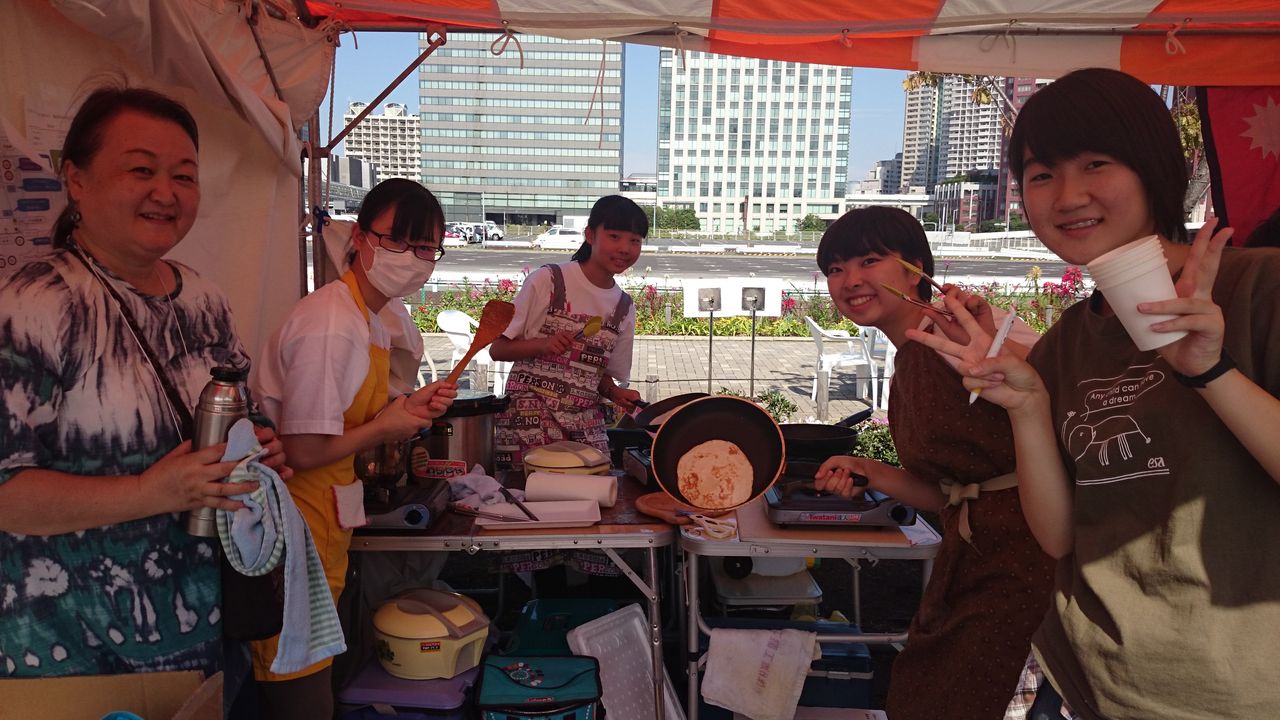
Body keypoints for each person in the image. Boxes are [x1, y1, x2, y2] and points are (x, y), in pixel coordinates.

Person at [911, 68, 1280, 720]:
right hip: (1090, 684)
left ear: (1153, 167)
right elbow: (1059, 537)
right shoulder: (1066, 343)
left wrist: (1210, 372)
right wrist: (1028, 406)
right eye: (1041, 174)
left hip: (1237, 693)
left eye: (1096, 164)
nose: (1068, 195)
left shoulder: (1257, 290)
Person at [0, 87, 288, 678]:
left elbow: (242, 410)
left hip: (213, 631)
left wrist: (260, 447)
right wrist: (150, 491)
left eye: (184, 176)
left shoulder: (202, 297)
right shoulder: (35, 305)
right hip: (80, 657)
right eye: (140, 170)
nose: (165, 192)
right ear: (76, 179)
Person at [810, 207, 1055, 719]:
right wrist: (870, 471)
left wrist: (993, 345)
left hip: (1031, 559)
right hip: (968, 557)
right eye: (835, 268)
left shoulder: (965, 331)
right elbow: (948, 491)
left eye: (869, 261)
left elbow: (1056, 389)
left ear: (915, 269)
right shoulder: (908, 357)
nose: (850, 280)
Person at [249, 178, 458, 718]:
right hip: (293, 525)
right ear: (361, 238)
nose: (412, 258)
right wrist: (384, 429)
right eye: (398, 241)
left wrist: (406, 408)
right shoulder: (332, 324)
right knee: (300, 692)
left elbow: (352, 417)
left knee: (317, 676)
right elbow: (300, 451)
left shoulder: (369, 320)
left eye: (426, 247)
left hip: (325, 522)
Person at [492, 195, 646, 471]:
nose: (625, 248)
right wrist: (543, 344)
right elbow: (498, 349)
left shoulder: (624, 307)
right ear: (590, 235)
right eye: (614, 236)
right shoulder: (549, 281)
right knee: (531, 492)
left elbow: (598, 375)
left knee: (598, 485)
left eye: (635, 240)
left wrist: (615, 393)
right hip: (529, 421)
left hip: (584, 423)